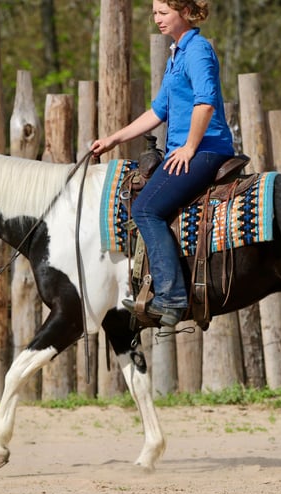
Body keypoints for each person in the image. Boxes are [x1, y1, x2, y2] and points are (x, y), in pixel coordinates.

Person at [91, 0, 234, 327]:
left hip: (206, 150)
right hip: (191, 149)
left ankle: (171, 297)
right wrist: (114, 139)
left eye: (164, 12)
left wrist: (189, 147)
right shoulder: (176, 55)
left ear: (184, 12)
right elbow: (158, 112)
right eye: (155, 12)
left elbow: (205, 104)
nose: (157, 19)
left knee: (145, 209)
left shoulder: (197, 51)